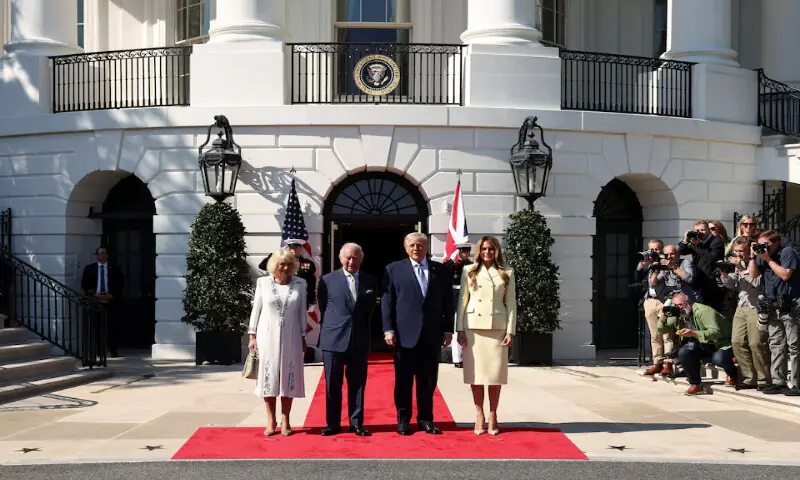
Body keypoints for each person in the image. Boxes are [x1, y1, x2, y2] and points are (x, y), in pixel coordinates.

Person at [381, 232, 454, 436]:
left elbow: (448, 302)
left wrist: (448, 328)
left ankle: (425, 419)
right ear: (406, 247)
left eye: (420, 245)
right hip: (404, 336)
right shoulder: (394, 269)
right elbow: (387, 302)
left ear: (426, 247)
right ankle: (403, 419)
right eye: (412, 245)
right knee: (403, 380)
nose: (416, 248)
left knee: (428, 380)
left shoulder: (440, 270)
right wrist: (388, 329)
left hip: (431, 334)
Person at [456, 236, 516, 436]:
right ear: (478, 251)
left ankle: (493, 414)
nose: (487, 252)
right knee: (476, 375)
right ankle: (479, 413)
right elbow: (462, 301)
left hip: (497, 328)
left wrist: (510, 330)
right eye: (483, 249)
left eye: (491, 249)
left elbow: (512, 305)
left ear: (496, 251)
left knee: (495, 375)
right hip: (474, 327)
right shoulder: (469, 270)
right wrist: (460, 328)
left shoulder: (507, 272)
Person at [317, 243, 377, 437]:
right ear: (340, 258)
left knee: (358, 384)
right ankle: (332, 423)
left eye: (355, 258)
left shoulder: (370, 281)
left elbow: (370, 309)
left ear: (361, 259)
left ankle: (356, 422)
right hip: (333, 339)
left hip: (359, 340)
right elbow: (324, 307)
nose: (351, 261)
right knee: (332, 384)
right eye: (348, 258)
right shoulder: (327, 280)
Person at [247, 247, 308, 436]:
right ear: (275, 264)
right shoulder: (263, 283)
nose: (285, 267)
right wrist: (252, 335)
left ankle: (286, 420)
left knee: (288, 377)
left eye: (289, 264)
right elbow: (256, 309)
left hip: (292, 336)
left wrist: (303, 336)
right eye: (282, 263)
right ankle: (271, 420)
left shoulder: (300, 283)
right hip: (267, 335)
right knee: (269, 377)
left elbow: (302, 312)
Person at [749, 230, 800, 396]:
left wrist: (768, 259)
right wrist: (752, 256)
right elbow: (753, 275)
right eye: (760, 245)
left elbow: (785, 275)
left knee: (794, 345)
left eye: (767, 245)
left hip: (790, 304)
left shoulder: (787, 252)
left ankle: (797, 384)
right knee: (776, 344)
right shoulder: (762, 255)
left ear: (776, 242)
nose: (764, 248)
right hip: (773, 305)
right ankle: (778, 381)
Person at [658, 293, 738, 396]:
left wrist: (693, 333)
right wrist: (663, 316)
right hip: (703, 345)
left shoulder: (703, 311)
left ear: (689, 303)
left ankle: (734, 374)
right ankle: (696, 384)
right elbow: (661, 329)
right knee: (684, 352)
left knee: (719, 359)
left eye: (681, 304)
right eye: (676, 306)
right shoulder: (680, 315)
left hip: (721, 344)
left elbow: (715, 333)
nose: (679, 308)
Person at [720, 237, 771, 390]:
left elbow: (756, 283)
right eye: (735, 251)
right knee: (736, 342)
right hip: (741, 306)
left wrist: (742, 269)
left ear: (749, 250)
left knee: (756, 343)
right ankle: (749, 378)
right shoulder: (738, 264)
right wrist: (724, 273)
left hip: (756, 305)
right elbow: (730, 284)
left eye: (741, 251)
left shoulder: (757, 262)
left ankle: (763, 379)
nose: (738, 254)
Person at [80, 246, 124, 357]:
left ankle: (113, 350)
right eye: (99, 254)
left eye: (103, 253)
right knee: (97, 327)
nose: (101, 256)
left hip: (111, 301)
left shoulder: (114, 268)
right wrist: (95, 295)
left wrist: (111, 295)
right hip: (95, 301)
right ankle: (99, 351)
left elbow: (120, 284)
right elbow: (84, 285)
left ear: (107, 255)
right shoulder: (90, 269)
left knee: (112, 326)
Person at [442, 242, 473, 368]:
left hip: (469, 297)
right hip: (455, 298)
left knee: (467, 330)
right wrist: (452, 257)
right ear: (459, 252)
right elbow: (443, 270)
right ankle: (457, 358)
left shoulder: (471, 265)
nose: (465, 254)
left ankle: (467, 357)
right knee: (456, 330)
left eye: (467, 252)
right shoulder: (452, 266)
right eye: (462, 252)